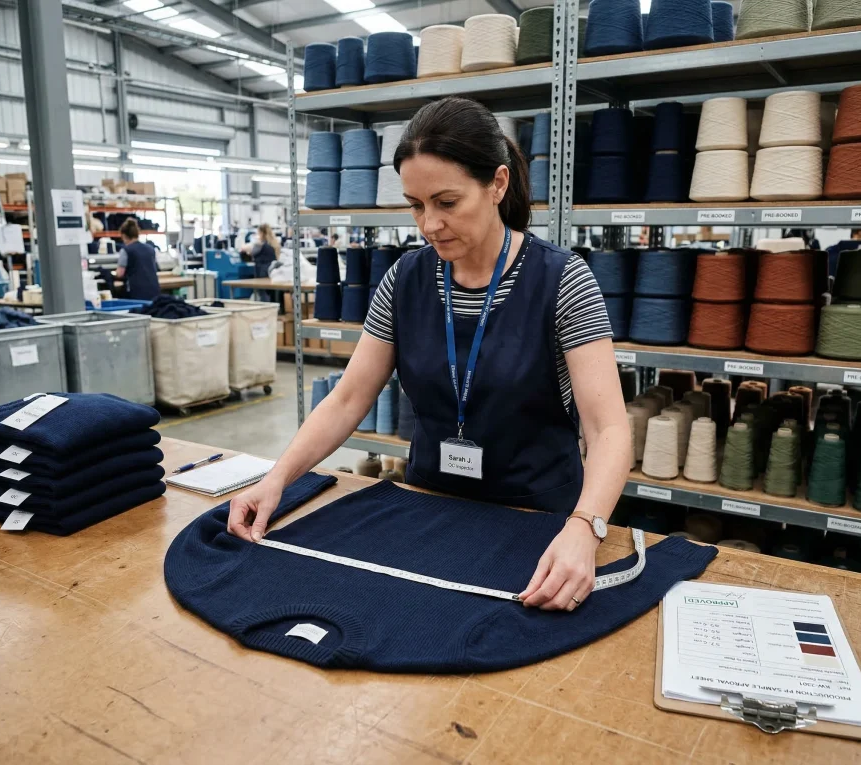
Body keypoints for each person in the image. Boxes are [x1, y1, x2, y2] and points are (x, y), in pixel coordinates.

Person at [228, 97, 631, 611]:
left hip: (538, 524)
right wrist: (277, 479)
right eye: (416, 205)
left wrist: (586, 527)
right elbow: (348, 398)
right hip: (429, 508)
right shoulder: (405, 280)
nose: (429, 224)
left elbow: (608, 428)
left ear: (498, 185)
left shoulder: (562, 281)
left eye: (446, 202)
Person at [115, 218, 160, 301]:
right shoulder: (150, 249)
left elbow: (119, 273)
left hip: (137, 292)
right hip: (154, 290)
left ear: (124, 236)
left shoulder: (126, 250)